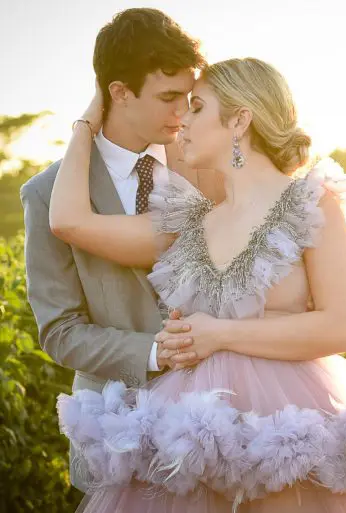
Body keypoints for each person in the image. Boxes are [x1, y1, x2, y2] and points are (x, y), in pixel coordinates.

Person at [47, 22, 346, 513]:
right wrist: (84, 127)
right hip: (193, 427)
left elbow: (338, 327)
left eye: (197, 107)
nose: (182, 120)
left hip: (289, 421)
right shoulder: (190, 221)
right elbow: (68, 221)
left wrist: (218, 334)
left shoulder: (313, 202)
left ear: (240, 121)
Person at [20, 7, 210, 498]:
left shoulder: (209, 166)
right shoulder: (46, 194)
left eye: (189, 98)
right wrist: (153, 352)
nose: (182, 113)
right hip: (118, 431)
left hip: (221, 412)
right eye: (168, 98)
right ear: (119, 92)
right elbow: (59, 331)